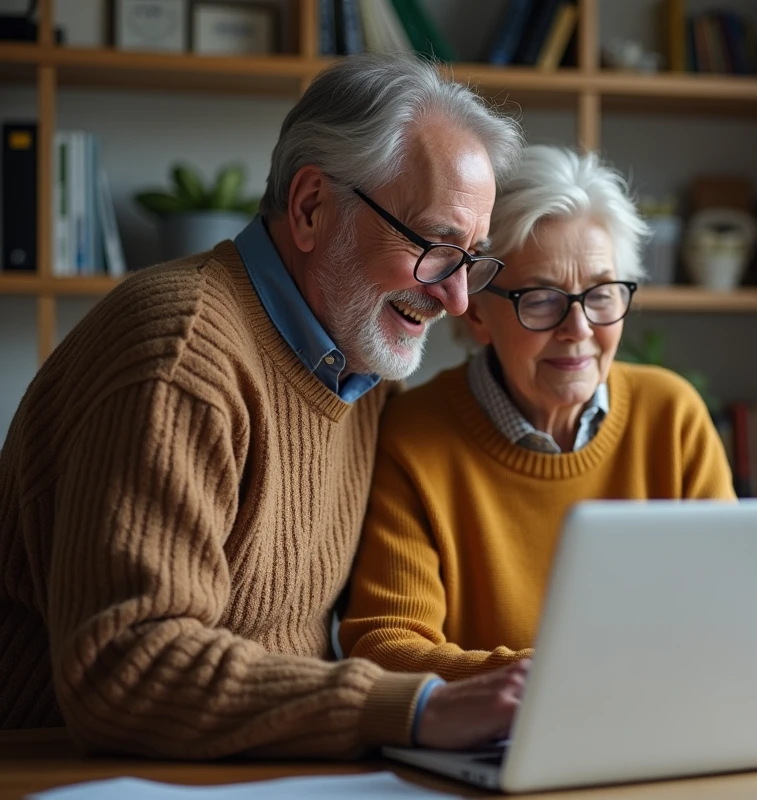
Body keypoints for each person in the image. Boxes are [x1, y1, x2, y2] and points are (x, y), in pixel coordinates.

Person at [0, 53, 532, 758]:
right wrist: (412, 709)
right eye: (434, 245)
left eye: (470, 260)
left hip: (255, 772)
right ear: (311, 207)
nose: (455, 298)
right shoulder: (183, 352)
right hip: (60, 768)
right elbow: (125, 667)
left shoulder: (364, 373)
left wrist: (533, 682)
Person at [338, 145, 737, 682]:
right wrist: (554, 682)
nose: (579, 329)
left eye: (600, 295)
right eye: (543, 299)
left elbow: (730, 613)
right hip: (495, 743)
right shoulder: (414, 437)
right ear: (476, 311)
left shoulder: (673, 417)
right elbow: (386, 645)